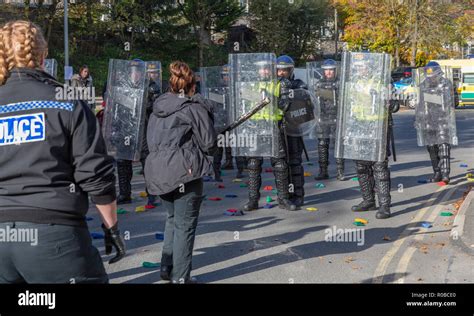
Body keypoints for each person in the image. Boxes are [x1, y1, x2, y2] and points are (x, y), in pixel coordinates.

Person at [0, 20, 125, 283]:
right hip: (54, 234)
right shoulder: (66, 102)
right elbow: (96, 174)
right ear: (43, 55)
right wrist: (111, 227)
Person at [145, 61, 216, 283]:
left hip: (157, 171)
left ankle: (167, 268)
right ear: (192, 85)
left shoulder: (159, 106)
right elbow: (209, 143)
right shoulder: (192, 108)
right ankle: (181, 277)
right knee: (185, 225)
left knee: (172, 219)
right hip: (184, 171)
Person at [335, 52, 397, 219]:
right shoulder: (354, 82)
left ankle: (385, 205)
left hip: (377, 127)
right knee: (361, 166)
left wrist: (390, 102)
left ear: (370, 67)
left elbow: (395, 104)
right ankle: (368, 200)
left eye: (363, 67)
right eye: (358, 67)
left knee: (379, 166)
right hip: (359, 126)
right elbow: (347, 105)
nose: (360, 69)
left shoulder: (382, 81)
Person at [237, 56, 297, 212]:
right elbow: (242, 105)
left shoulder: (281, 83)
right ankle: (252, 200)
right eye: (261, 68)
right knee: (252, 164)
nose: (263, 71)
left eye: (266, 68)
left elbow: (285, 105)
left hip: (273, 126)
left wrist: (269, 98)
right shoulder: (251, 83)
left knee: (280, 164)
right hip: (254, 127)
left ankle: (283, 198)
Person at [415, 61, 456, 184]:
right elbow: (420, 103)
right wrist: (418, 118)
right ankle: (437, 172)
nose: (431, 78)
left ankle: (445, 174)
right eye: (430, 76)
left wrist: (439, 99)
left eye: (433, 75)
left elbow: (455, 101)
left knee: (443, 146)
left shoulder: (446, 84)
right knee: (432, 148)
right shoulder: (423, 85)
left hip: (443, 119)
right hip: (428, 120)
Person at [276, 55, 308, 207]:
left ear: (291, 70)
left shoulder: (298, 84)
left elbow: (306, 103)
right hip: (279, 128)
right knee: (281, 164)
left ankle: (298, 195)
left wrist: (291, 90)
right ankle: (284, 196)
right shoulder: (273, 85)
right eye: (279, 70)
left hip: (294, 128)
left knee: (295, 162)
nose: (281, 73)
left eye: (285, 70)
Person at [312, 59, 345, 181]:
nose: (329, 72)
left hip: (337, 117)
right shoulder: (318, 84)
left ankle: (340, 171)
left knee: (338, 145)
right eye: (326, 70)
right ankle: (323, 171)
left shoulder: (340, 83)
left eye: (331, 70)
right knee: (322, 145)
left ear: (335, 71)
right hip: (323, 117)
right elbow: (313, 101)